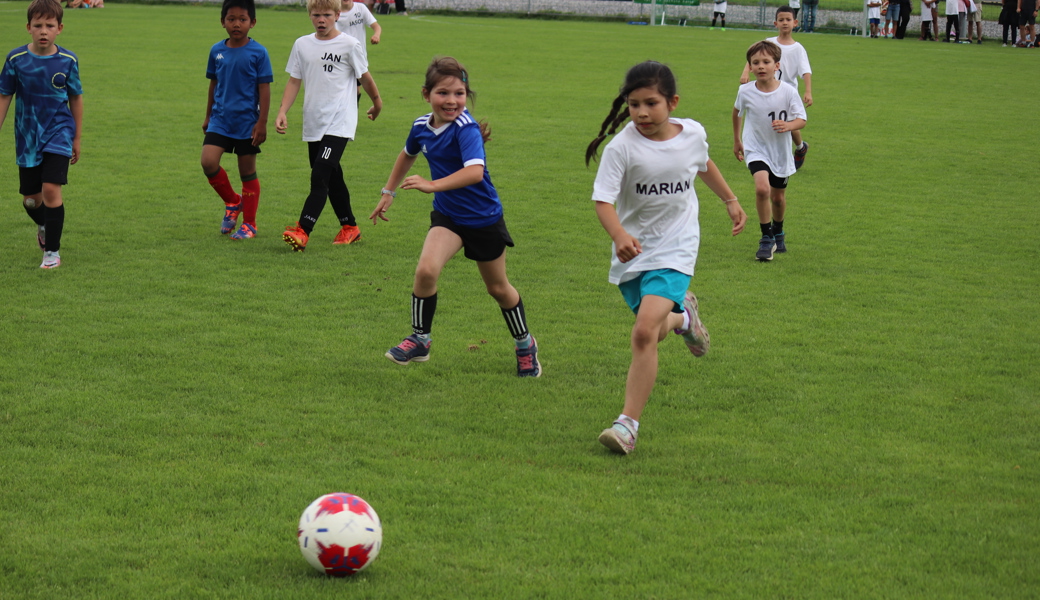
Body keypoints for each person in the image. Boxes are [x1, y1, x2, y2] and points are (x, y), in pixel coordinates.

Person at [585, 61, 746, 455]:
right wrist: (619, 234)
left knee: (642, 333)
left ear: (672, 102)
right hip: (634, 252)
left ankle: (627, 425)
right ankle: (684, 316)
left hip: (678, 247)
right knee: (654, 331)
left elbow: (702, 163)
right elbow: (603, 200)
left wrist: (729, 199)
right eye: (634, 104)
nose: (642, 112)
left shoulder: (692, 133)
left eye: (651, 103)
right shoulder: (621, 147)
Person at [369, 57, 541, 378]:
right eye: (443, 93)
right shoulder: (422, 126)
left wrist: (432, 184)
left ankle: (524, 345)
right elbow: (407, 154)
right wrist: (387, 193)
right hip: (448, 217)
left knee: (498, 288)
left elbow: (475, 173)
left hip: (483, 218)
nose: (452, 101)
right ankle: (420, 340)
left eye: (459, 93)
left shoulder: (466, 128)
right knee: (425, 271)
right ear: (426, 94)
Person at [276, 0, 382, 251]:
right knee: (332, 176)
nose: (321, 20)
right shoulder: (302, 44)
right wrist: (282, 110)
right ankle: (350, 227)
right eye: (316, 15)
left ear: (337, 15)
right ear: (310, 16)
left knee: (320, 175)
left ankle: (302, 230)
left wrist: (377, 103)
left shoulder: (349, 44)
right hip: (314, 122)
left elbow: (364, 77)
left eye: (326, 15)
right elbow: (294, 81)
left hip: (340, 121)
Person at [0, 0, 82, 269]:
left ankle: (52, 253)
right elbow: (5, 96)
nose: (43, 31)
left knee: (50, 189)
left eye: (49, 25)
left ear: (60, 28)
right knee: (31, 200)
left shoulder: (68, 61)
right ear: (28, 28)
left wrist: (77, 137)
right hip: (27, 136)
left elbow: (75, 99)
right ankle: (45, 226)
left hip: (59, 131)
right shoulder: (16, 60)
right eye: (38, 25)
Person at [202, 0, 273, 241]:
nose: (236, 24)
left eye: (242, 19)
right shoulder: (216, 51)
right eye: (231, 19)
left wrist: (262, 122)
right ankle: (233, 202)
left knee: (247, 172)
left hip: (247, 123)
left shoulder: (259, 52)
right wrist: (208, 115)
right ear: (222, 22)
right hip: (220, 120)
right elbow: (214, 84)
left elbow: (264, 89)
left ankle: (250, 224)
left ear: (252, 22)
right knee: (208, 162)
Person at [733, 41, 806, 262]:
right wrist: (737, 140)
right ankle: (766, 239)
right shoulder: (745, 91)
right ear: (750, 66)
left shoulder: (788, 92)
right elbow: (737, 113)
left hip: (780, 152)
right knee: (762, 188)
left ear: (777, 65)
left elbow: (802, 119)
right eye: (756, 62)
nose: (761, 66)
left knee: (778, 198)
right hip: (755, 148)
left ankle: (779, 230)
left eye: (766, 62)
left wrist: (789, 126)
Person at [739, 6, 812, 170]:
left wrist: (808, 91)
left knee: (788, 124)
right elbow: (753, 56)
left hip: (786, 93)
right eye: (781, 20)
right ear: (775, 23)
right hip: (767, 89)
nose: (785, 23)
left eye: (788, 20)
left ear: (795, 23)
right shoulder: (769, 42)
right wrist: (745, 72)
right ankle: (763, 153)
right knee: (774, 122)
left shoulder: (798, 48)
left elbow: (806, 71)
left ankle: (800, 148)